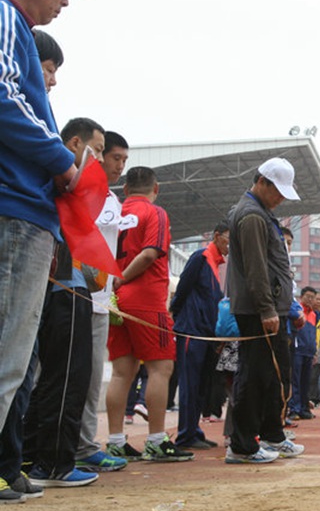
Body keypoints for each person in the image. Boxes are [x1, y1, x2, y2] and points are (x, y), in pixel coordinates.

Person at [0, 0, 95, 511]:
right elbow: (3, 97)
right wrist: (64, 163)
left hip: (20, 211)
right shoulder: (8, 18)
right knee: (5, 363)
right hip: (13, 211)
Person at [21, 118, 105, 487]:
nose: (100, 159)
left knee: (54, 376)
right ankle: (54, 464)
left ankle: (31, 456)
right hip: (65, 291)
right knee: (68, 376)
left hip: (71, 288)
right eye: (98, 149)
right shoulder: (60, 182)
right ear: (74, 143)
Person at [103, 167, 192, 462]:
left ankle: (115, 440)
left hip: (116, 301)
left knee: (121, 372)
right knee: (160, 369)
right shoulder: (155, 213)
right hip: (145, 297)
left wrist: (115, 281)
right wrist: (124, 277)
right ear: (156, 187)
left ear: (125, 189)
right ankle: (156, 439)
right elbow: (151, 252)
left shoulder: (113, 212)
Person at [224, 158, 305, 464]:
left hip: (270, 308)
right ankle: (242, 445)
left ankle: (272, 433)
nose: (281, 198)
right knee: (254, 374)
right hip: (259, 310)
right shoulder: (252, 217)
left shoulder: (261, 213)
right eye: (278, 191)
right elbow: (257, 269)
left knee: (272, 375)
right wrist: (266, 309)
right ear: (262, 182)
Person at [75, 131, 130, 473]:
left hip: (99, 300)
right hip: (75, 294)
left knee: (93, 377)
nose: (120, 166)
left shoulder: (113, 199)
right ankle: (70, 447)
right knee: (71, 376)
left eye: (125, 160)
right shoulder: (82, 191)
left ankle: (83, 444)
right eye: (114, 158)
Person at [170, 222, 229, 451]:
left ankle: (194, 430)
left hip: (207, 334)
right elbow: (183, 288)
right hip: (191, 332)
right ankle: (185, 434)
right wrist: (178, 315)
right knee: (190, 384)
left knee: (202, 385)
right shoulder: (201, 257)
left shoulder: (215, 265)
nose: (229, 246)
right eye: (227, 240)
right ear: (216, 236)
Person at [289, 287, 318, 420]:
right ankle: (294, 408)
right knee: (296, 380)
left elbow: (313, 334)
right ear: (301, 297)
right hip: (297, 350)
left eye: (313, 297)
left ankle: (304, 408)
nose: (310, 299)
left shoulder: (313, 314)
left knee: (306, 381)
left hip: (309, 351)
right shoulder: (297, 310)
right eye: (308, 296)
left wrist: (314, 351)